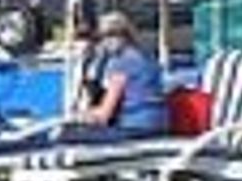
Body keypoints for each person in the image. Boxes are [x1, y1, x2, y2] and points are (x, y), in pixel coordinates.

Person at [72, 7, 169, 137]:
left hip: (135, 127)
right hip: (161, 123)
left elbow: (105, 114)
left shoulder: (121, 63)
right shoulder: (147, 56)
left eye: (105, 37)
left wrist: (79, 116)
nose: (104, 43)